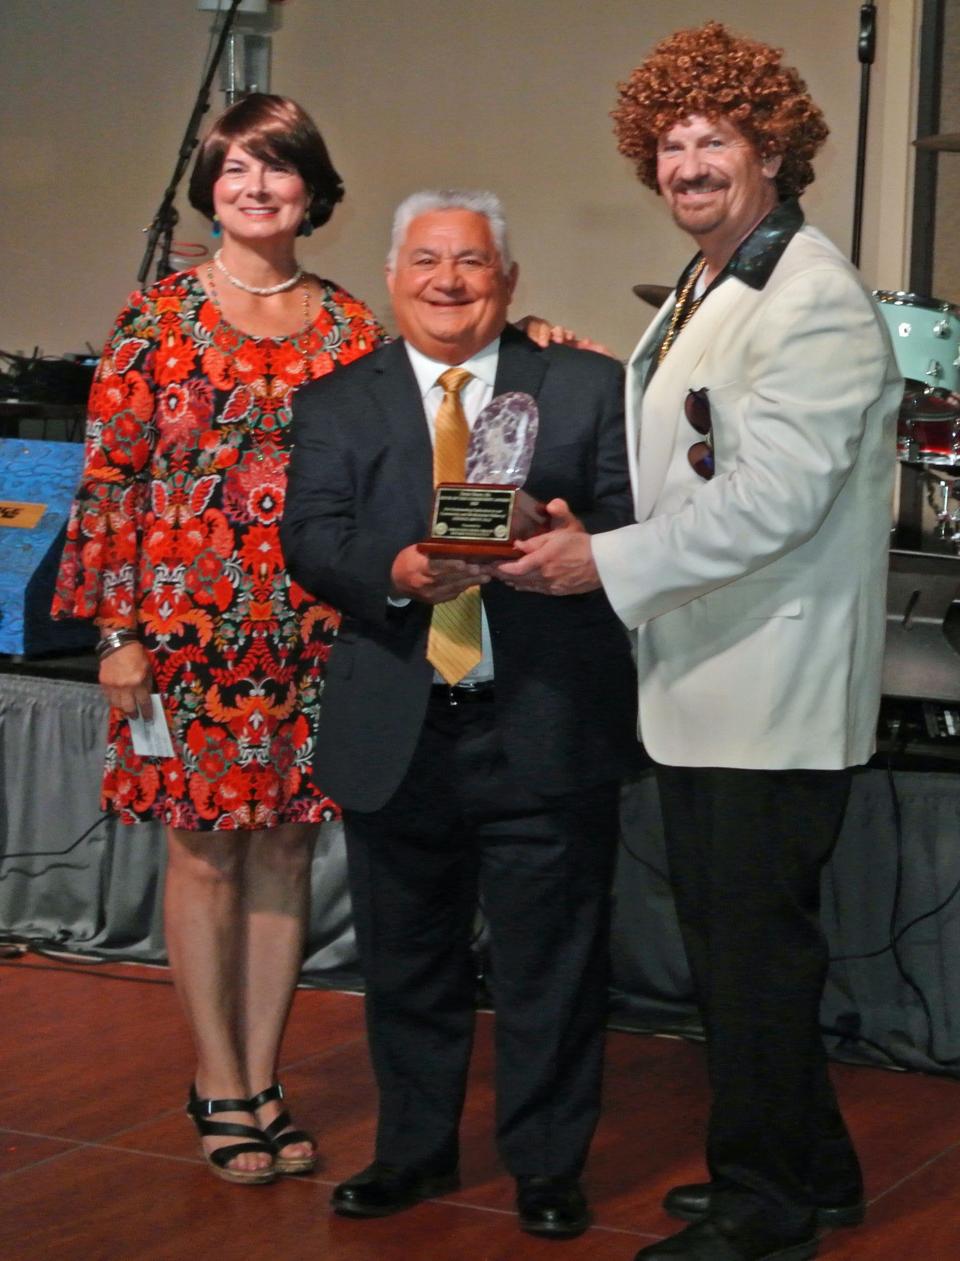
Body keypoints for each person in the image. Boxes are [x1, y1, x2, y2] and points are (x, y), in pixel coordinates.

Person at [498, 22, 902, 1261]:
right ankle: (818, 1171)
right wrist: (582, 510)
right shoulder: (711, 281)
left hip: (768, 685)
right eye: (668, 143)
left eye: (712, 138)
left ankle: (764, 1208)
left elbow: (774, 502)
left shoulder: (812, 295)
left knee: (752, 963)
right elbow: (695, 462)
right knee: (742, 949)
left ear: (771, 147)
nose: (687, 162)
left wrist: (601, 562)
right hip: (709, 672)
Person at [280, 188, 636, 1237]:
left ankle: (547, 1164)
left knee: (554, 966)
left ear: (508, 281)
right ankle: (415, 1150)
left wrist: (582, 537)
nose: (449, 281)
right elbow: (312, 535)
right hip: (400, 722)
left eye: (473, 262)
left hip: (546, 718)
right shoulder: (337, 401)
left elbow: (634, 517)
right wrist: (389, 570)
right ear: (393, 279)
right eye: (427, 261)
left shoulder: (585, 386)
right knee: (405, 960)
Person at [52, 94, 385, 1184]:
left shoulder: (349, 328)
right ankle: (217, 1079)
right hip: (180, 635)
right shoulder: (156, 318)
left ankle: (263, 1074)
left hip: (309, 630)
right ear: (210, 185)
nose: (254, 186)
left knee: (288, 845)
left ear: (311, 188)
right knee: (201, 853)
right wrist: (117, 633)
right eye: (235, 167)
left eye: (276, 167)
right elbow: (111, 480)